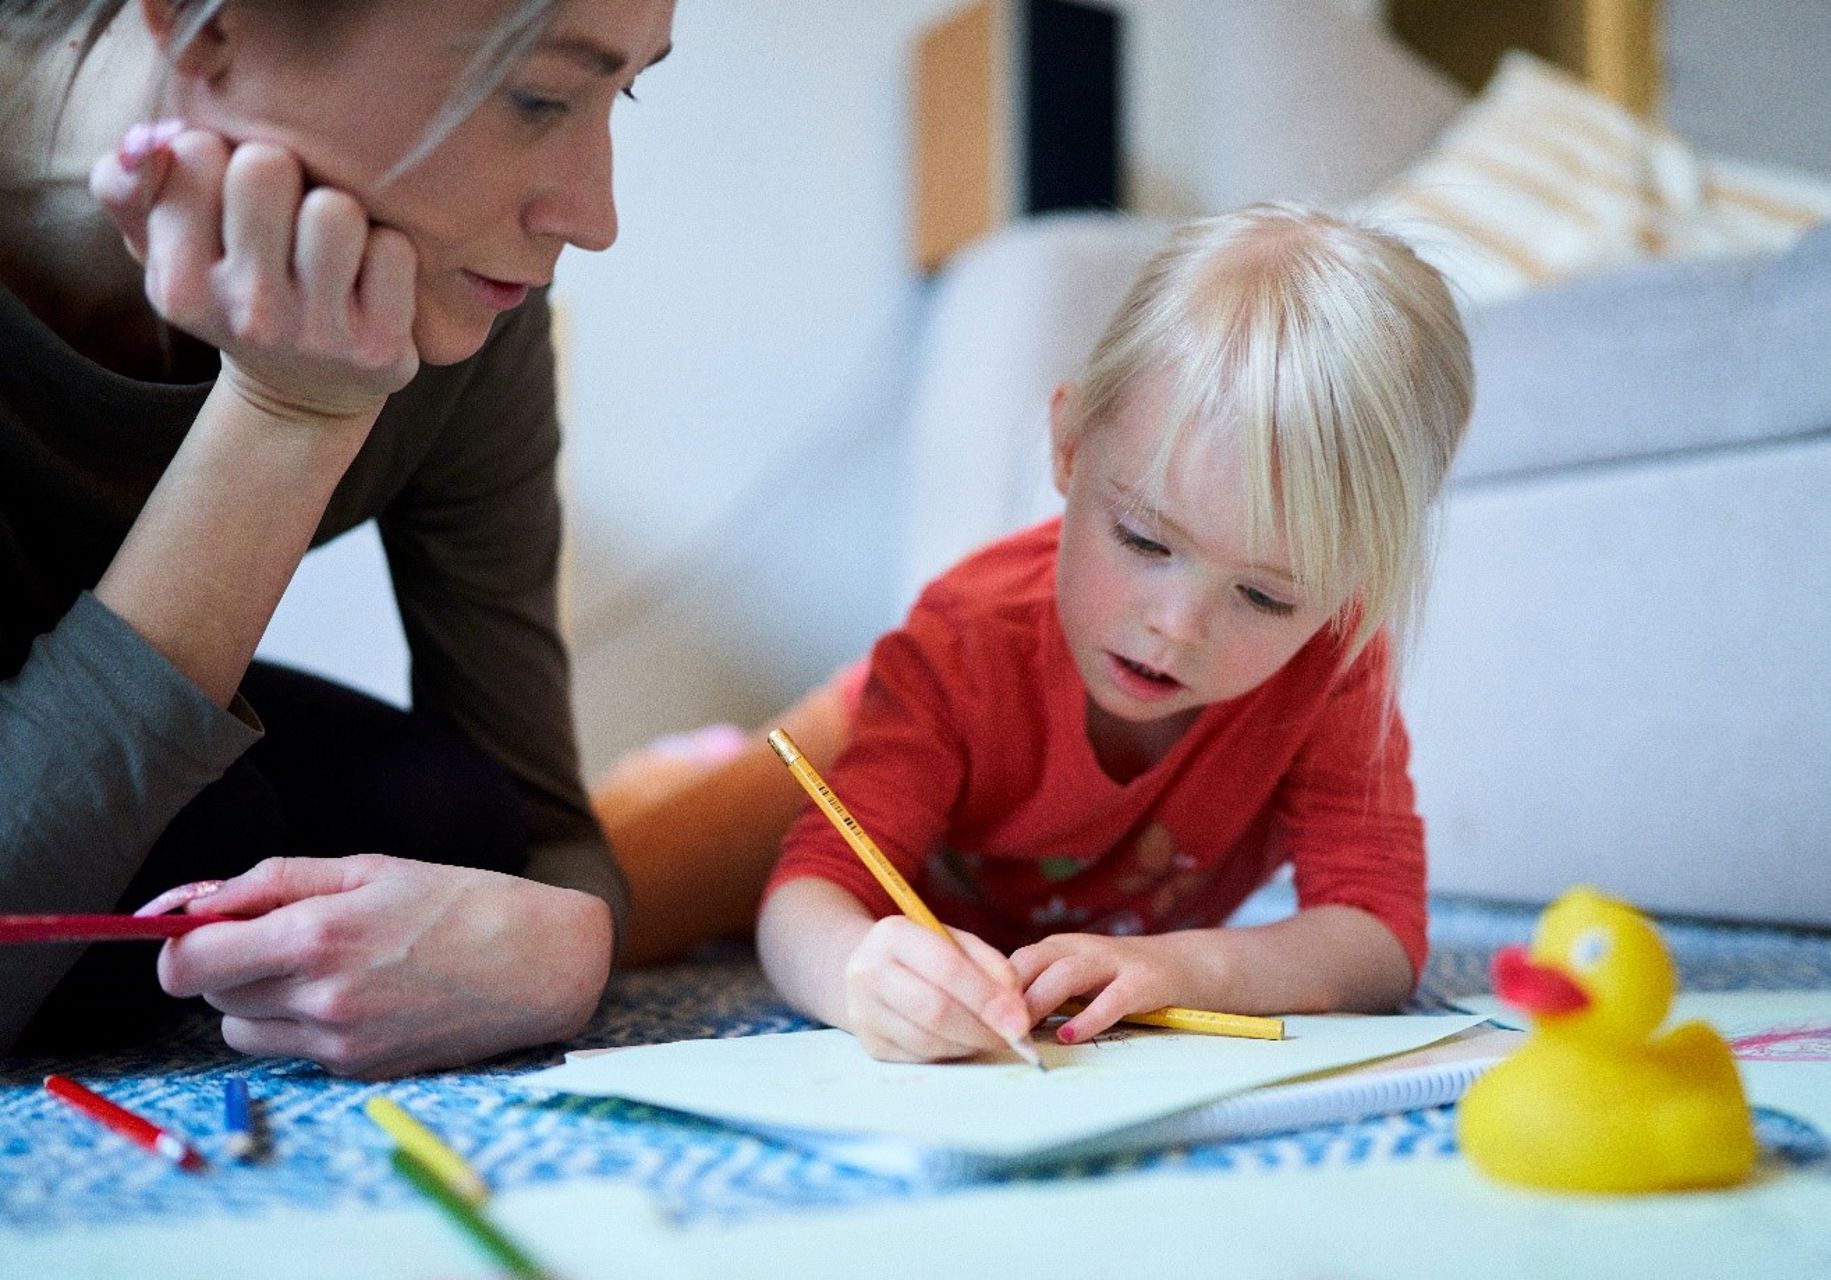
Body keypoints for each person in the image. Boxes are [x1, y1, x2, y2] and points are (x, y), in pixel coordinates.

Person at [0, 0, 674, 1075]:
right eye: (538, 94)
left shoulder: (469, 311)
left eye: (622, 91)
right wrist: (288, 416)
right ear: (206, 25)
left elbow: (539, 826)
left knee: (438, 813)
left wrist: (567, 937)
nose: (594, 216)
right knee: (203, 838)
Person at [754, 203, 1474, 1062]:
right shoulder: (964, 638)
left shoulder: (1335, 659)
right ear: (1068, 444)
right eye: (1142, 540)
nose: (1176, 626)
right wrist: (858, 971)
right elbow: (803, 899)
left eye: (1265, 597)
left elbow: (1380, 933)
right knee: (650, 880)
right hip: (868, 715)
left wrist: (1188, 968)